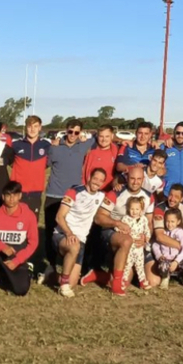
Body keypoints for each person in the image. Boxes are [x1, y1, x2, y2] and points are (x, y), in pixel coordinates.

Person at [90, 166, 157, 295]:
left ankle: (101, 276)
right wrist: (117, 223)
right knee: (127, 241)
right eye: (132, 178)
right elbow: (99, 218)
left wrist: (145, 238)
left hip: (135, 237)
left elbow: (148, 222)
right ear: (126, 178)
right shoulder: (116, 193)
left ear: (143, 179)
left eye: (139, 179)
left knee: (131, 281)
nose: (135, 182)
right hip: (111, 232)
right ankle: (115, 284)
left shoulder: (149, 196)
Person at [42, 119, 94, 282]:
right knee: (51, 232)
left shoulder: (84, 145)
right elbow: (43, 163)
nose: (73, 135)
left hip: (74, 198)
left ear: (81, 133)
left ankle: (78, 264)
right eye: (70, 131)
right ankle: (50, 265)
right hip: (54, 195)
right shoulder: (55, 147)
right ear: (66, 131)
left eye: (77, 132)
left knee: (74, 230)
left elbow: (104, 137)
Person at [53, 168, 108, 298]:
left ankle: (51, 275)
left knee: (73, 283)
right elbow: (59, 217)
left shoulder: (101, 196)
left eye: (101, 181)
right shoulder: (74, 191)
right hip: (62, 235)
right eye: (95, 178)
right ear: (89, 177)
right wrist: (69, 233)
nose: (97, 182)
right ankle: (64, 285)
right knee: (74, 246)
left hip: (81, 240)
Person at [0, 181, 39, 297]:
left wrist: (16, 261)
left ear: (20, 196)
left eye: (15, 195)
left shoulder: (28, 215)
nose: (11, 199)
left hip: (18, 258)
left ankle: (19, 273)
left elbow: (33, 243)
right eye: (8, 195)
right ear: (3, 197)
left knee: (21, 290)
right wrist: (2, 247)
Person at [152, 209, 183, 289]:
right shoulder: (162, 232)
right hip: (166, 258)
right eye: (167, 221)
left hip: (178, 259)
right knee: (163, 265)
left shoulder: (181, 233)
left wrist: (176, 261)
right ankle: (165, 278)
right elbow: (155, 245)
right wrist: (159, 255)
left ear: (178, 221)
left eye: (172, 222)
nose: (169, 224)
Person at [118, 197, 152, 291]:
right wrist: (122, 231)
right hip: (129, 247)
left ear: (141, 209)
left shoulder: (144, 219)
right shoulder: (125, 219)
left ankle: (142, 281)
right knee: (127, 265)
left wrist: (146, 239)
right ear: (128, 209)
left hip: (139, 247)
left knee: (140, 265)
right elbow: (119, 228)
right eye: (132, 209)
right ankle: (123, 281)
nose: (134, 211)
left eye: (137, 209)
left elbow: (147, 231)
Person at [82, 125, 119, 190]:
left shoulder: (116, 150)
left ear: (112, 136)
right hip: (88, 191)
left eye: (107, 136)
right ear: (97, 136)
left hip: (107, 193)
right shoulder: (89, 148)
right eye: (101, 136)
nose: (104, 139)